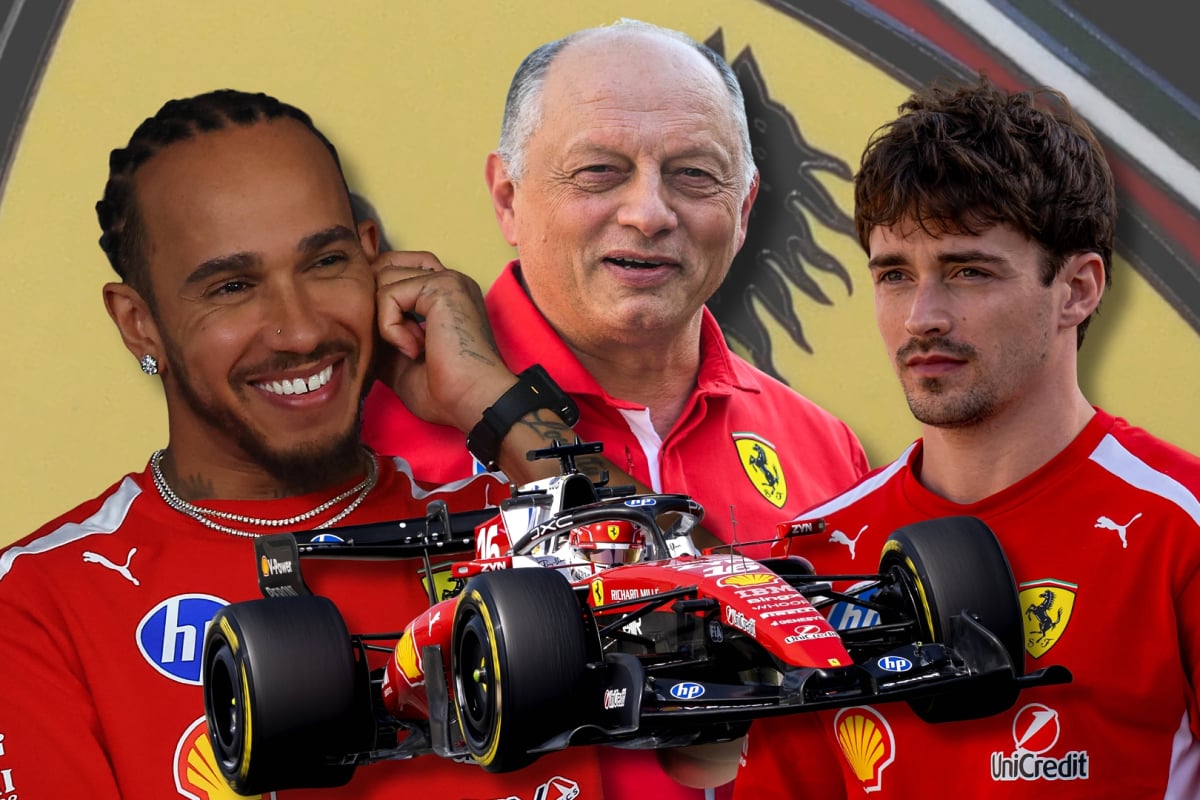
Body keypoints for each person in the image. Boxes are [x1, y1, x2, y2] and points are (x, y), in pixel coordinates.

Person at [0, 89, 612, 798]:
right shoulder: (40, 603)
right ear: (139, 323)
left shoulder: (512, 523)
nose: (299, 330)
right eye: (233, 286)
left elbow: (694, 614)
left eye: (325, 263)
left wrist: (484, 393)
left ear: (375, 259)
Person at [359, 19, 870, 799]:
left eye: (695, 175)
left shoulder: (822, 447)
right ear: (507, 195)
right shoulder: (368, 435)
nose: (649, 212)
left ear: (745, 207)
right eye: (598, 172)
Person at [734, 75, 1200, 797]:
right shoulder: (817, 551)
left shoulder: (1182, 530)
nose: (922, 316)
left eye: (967, 271)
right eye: (894, 274)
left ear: (1077, 289)